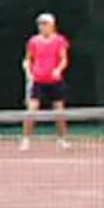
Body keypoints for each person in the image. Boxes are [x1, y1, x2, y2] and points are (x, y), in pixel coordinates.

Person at [20, 11, 72, 148]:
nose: (42, 26)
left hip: (55, 82)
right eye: (40, 24)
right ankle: (25, 139)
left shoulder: (60, 40)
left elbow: (64, 59)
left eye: (45, 24)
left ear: (52, 25)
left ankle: (62, 139)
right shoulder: (33, 41)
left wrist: (58, 70)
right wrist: (28, 71)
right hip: (38, 81)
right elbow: (28, 59)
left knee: (59, 111)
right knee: (31, 111)